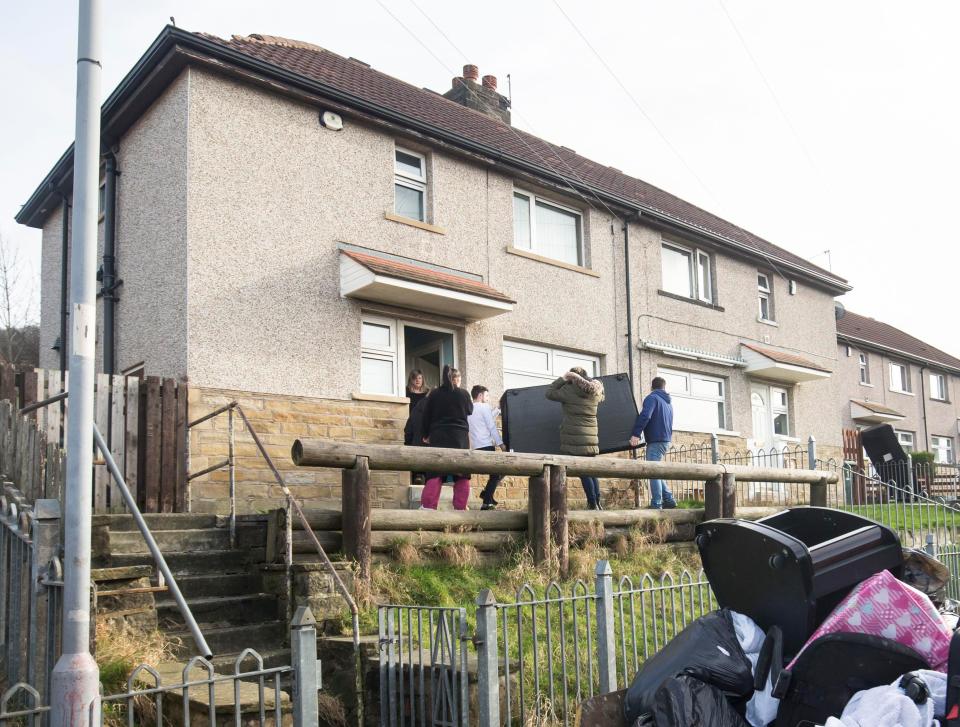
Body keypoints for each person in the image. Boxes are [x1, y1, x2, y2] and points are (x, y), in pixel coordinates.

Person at [546, 367, 606, 510]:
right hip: (591, 438)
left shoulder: (569, 391)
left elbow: (549, 393)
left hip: (576, 438)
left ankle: (592, 503)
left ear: (572, 378)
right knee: (591, 471)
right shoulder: (594, 392)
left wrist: (563, 378)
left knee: (583, 472)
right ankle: (597, 502)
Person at [419, 365, 474, 510]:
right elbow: (470, 410)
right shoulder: (463, 394)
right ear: (456, 379)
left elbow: (426, 416)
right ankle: (460, 508)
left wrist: (425, 435)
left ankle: (428, 507)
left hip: (438, 436)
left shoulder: (435, 394)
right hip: (459, 437)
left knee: (435, 471)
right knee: (462, 473)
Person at [630, 377, 678, 510]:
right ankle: (669, 499)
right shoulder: (668, 402)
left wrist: (636, 434)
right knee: (656, 471)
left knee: (652, 471)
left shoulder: (652, 398)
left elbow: (645, 415)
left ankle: (657, 503)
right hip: (665, 440)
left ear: (652, 387)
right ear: (664, 387)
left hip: (656, 440)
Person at [468, 385, 504, 510]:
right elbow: (491, 426)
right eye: (487, 396)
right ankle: (486, 501)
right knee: (498, 472)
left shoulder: (469, 408)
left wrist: (498, 409)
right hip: (487, 446)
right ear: (480, 396)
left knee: (495, 473)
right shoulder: (484, 407)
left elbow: (484, 420)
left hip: (476, 447)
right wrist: (501, 444)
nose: (488, 399)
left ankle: (487, 495)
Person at [404, 369, 431, 484]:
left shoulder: (427, 392)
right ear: (411, 379)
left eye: (420, 378)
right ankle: (417, 476)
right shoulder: (406, 391)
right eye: (415, 378)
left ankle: (424, 476)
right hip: (412, 423)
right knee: (413, 449)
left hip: (424, 424)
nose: (417, 380)